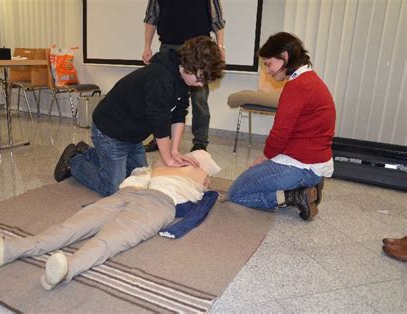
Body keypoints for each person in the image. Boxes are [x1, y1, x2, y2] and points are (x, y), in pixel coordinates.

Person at [0, 150, 221, 291]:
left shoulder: (201, 175)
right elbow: (154, 162)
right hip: (127, 192)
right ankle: (6, 249)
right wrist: (174, 157)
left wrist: (200, 172)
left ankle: (67, 268)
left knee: (111, 239)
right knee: (72, 226)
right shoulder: (164, 159)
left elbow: (203, 194)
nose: (193, 158)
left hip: (159, 203)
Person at [54, 36, 225, 197]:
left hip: (133, 135)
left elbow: (179, 113)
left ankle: (90, 152)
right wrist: (167, 159)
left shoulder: (184, 77)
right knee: (113, 188)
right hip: (110, 131)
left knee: (137, 178)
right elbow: (160, 122)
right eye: (200, 79)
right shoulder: (161, 78)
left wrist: (174, 151)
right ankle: (74, 160)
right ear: (189, 66)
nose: (201, 85)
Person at [227, 32, 336, 221]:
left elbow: (280, 133)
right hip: (312, 162)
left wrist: (264, 157)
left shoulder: (297, 86)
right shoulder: (310, 79)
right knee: (252, 179)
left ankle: (293, 196)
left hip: (303, 165)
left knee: (236, 193)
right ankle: (306, 187)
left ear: (284, 56)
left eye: (269, 64)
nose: (268, 71)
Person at [142, 0, 226, 152]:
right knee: (164, 97)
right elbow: (151, 17)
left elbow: (217, 20)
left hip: (200, 49)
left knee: (199, 100)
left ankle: (200, 142)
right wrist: (147, 45)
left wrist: (220, 46)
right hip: (169, 47)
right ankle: (160, 138)